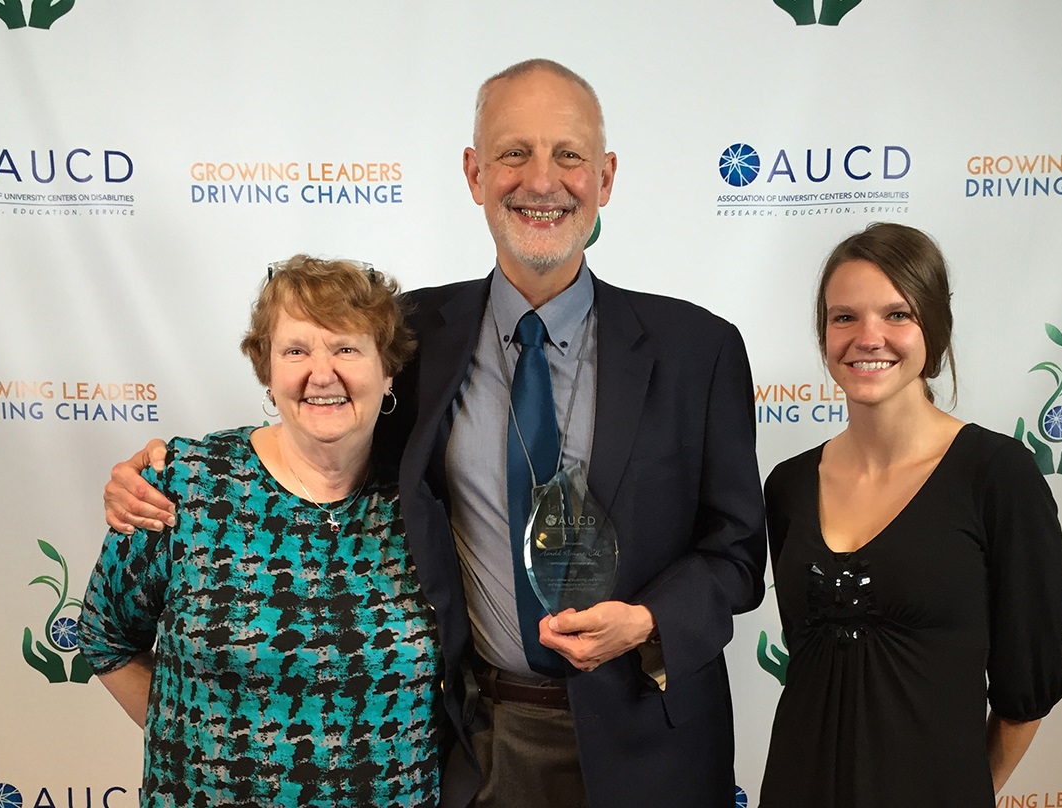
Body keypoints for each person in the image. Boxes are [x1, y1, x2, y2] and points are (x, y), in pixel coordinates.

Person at [103, 59, 766, 808]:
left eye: (569, 155)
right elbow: (319, 432)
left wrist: (647, 620)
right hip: (473, 743)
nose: (541, 180)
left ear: (605, 177)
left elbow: (737, 553)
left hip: (655, 744)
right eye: (513, 153)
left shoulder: (697, 348)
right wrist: (167, 468)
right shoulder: (410, 337)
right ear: (474, 173)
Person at [81, 256, 441, 807]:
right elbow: (104, 636)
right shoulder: (186, 482)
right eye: (296, 351)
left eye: (347, 348)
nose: (322, 373)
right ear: (267, 372)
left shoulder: (425, 498)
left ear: (388, 369)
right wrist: (194, 748)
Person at [759, 223, 1062, 808]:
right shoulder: (789, 486)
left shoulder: (998, 476)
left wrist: (964, 790)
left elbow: (1024, 694)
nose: (868, 337)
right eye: (844, 317)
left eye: (897, 314)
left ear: (935, 328)